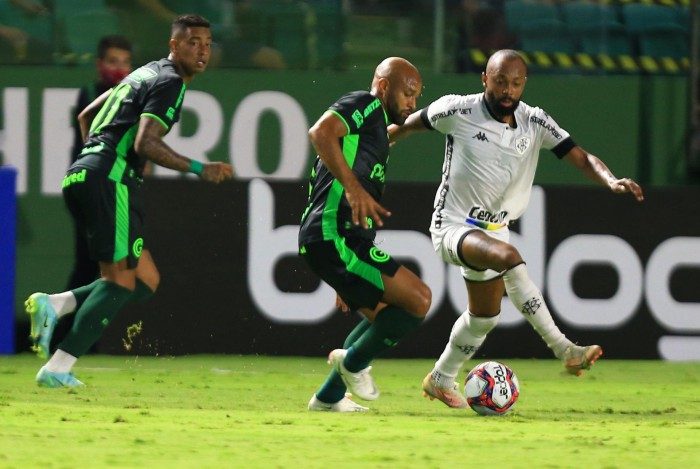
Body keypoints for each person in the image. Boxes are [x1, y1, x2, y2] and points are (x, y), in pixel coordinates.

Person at [389, 49, 644, 408]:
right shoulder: (457, 110)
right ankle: (565, 349)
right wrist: (362, 151)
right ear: (485, 79)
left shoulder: (535, 122)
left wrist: (611, 180)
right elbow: (400, 128)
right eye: (500, 81)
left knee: (484, 318)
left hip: (496, 229)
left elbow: (581, 156)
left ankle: (441, 378)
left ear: (524, 84)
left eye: (516, 83)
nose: (508, 90)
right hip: (453, 226)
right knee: (509, 257)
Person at [24, 14, 234, 388]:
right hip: (110, 179)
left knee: (145, 279)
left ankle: (56, 304)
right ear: (174, 45)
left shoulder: (145, 72)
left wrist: (95, 156)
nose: (202, 51)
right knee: (119, 282)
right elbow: (145, 142)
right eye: (192, 42)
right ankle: (58, 367)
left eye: (207, 43)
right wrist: (199, 167)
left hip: (84, 175)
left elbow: (87, 115)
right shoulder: (170, 82)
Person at [299, 57, 431, 412]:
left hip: (340, 238)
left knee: (391, 315)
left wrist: (342, 279)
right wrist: (354, 188)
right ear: (384, 86)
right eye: (407, 93)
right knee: (419, 299)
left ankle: (327, 399)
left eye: (416, 97)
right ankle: (353, 363)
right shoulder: (366, 104)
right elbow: (320, 132)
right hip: (334, 233)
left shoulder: (376, 134)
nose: (411, 103)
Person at [67, 35, 133, 292]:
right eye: (113, 61)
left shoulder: (134, 97)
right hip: (93, 188)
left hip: (116, 189)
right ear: (99, 64)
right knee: (90, 265)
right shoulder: (90, 95)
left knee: (110, 267)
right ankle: (59, 313)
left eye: (125, 62)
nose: (119, 68)